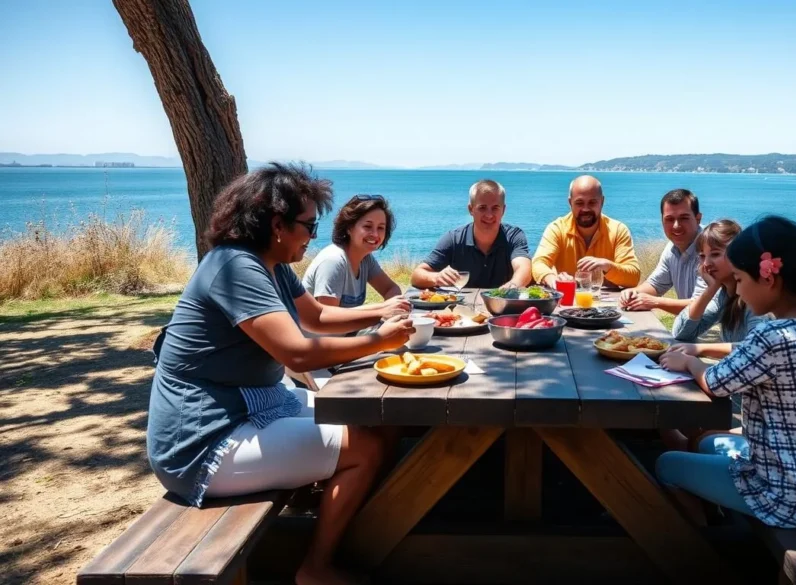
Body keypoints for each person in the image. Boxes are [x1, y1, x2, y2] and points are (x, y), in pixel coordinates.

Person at [146, 163, 413, 585]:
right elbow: (297, 351)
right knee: (365, 446)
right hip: (206, 440)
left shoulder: (272, 264)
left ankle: (356, 524)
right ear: (277, 224)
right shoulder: (236, 267)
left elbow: (318, 316)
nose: (312, 235)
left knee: (380, 420)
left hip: (257, 407)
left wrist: (382, 311)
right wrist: (380, 340)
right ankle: (316, 568)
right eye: (308, 225)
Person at [655, 216, 796, 529]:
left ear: (769, 279)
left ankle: (702, 550)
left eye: (741, 280)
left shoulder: (772, 336)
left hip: (785, 497)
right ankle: (719, 517)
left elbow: (716, 384)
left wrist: (691, 362)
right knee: (703, 444)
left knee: (666, 464)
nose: (738, 291)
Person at [302, 194, 411, 319]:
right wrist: (382, 310)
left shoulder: (365, 259)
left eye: (381, 228)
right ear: (349, 228)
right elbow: (327, 317)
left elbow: (390, 288)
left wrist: (392, 311)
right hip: (323, 337)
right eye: (367, 226)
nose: (375, 234)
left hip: (347, 334)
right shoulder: (333, 261)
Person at [410, 179, 532, 289]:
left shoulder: (514, 236)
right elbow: (416, 276)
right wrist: (436, 277)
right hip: (461, 311)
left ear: (503, 210)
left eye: (495, 208)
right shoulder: (454, 239)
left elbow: (524, 268)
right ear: (471, 209)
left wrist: (513, 286)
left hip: (504, 307)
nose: (489, 215)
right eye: (482, 208)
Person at [668, 219, 767, 353]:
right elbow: (681, 332)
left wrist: (699, 349)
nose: (706, 263)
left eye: (715, 254)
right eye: (702, 256)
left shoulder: (754, 298)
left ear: (737, 254)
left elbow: (757, 348)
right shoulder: (723, 295)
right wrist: (710, 291)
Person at [532, 175, 641, 289]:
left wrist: (607, 266)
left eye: (592, 202)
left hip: (607, 304)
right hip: (567, 302)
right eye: (579, 203)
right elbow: (538, 263)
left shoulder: (618, 230)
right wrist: (552, 279)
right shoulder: (557, 229)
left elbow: (633, 277)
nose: (585, 209)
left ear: (602, 202)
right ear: (570, 203)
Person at [620, 188, 704, 313]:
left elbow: (703, 306)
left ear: (698, 219)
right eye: (669, 219)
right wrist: (632, 293)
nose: (676, 225)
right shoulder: (671, 249)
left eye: (684, 218)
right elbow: (655, 285)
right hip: (691, 328)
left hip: (716, 330)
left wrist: (655, 302)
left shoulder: (711, 250)